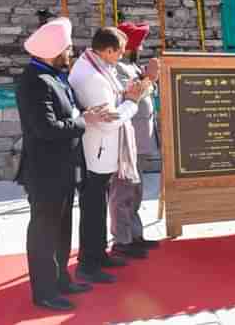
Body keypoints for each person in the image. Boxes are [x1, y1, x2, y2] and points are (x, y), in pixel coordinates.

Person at [16, 18, 116, 310]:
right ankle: (44, 292)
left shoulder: (53, 75)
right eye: (68, 48)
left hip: (63, 167)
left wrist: (87, 113)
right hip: (45, 171)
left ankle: (61, 279)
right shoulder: (35, 81)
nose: (71, 53)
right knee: (44, 231)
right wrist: (85, 121)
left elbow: (68, 112)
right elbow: (46, 128)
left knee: (62, 227)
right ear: (53, 50)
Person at [69, 27, 149, 283]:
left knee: (97, 207)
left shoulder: (94, 65)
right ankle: (88, 264)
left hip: (100, 151)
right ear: (107, 51)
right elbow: (109, 121)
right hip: (97, 151)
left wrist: (125, 95)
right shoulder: (92, 77)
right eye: (120, 52)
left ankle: (97, 254)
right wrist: (132, 101)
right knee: (93, 209)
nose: (122, 56)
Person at [109, 21, 161, 258]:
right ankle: (121, 240)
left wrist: (151, 78)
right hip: (127, 140)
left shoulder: (132, 66)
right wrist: (149, 78)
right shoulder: (118, 68)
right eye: (139, 44)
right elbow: (131, 95)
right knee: (123, 192)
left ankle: (135, 234)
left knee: (136, 191)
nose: (142, 48)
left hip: (140, 140)